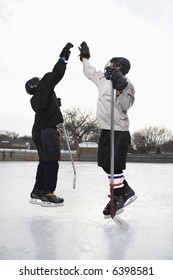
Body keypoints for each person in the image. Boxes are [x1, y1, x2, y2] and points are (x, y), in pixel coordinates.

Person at [78, 41, 137, 218]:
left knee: (115, 167)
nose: (109, 65)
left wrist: (120, 87)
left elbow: (127, 105)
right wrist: (85, 58)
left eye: (113, 64)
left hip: (119, 130)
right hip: (105, 129)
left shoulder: (127, 84)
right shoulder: (102, 78)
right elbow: (89, 72)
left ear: (120, 68)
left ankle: (117, 197)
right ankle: (125, 190)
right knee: (106, 165)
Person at [25, 42, 73, 207]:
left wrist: (54, 104)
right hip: (47, 131)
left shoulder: (34, 99)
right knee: (51, 161)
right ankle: (48, 192)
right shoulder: (44, 84)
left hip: (37, 131)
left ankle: (37, 190)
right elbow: (56, 74)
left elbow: (44, 106)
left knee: (44, 161)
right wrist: (63, 57)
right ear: (37, 84)